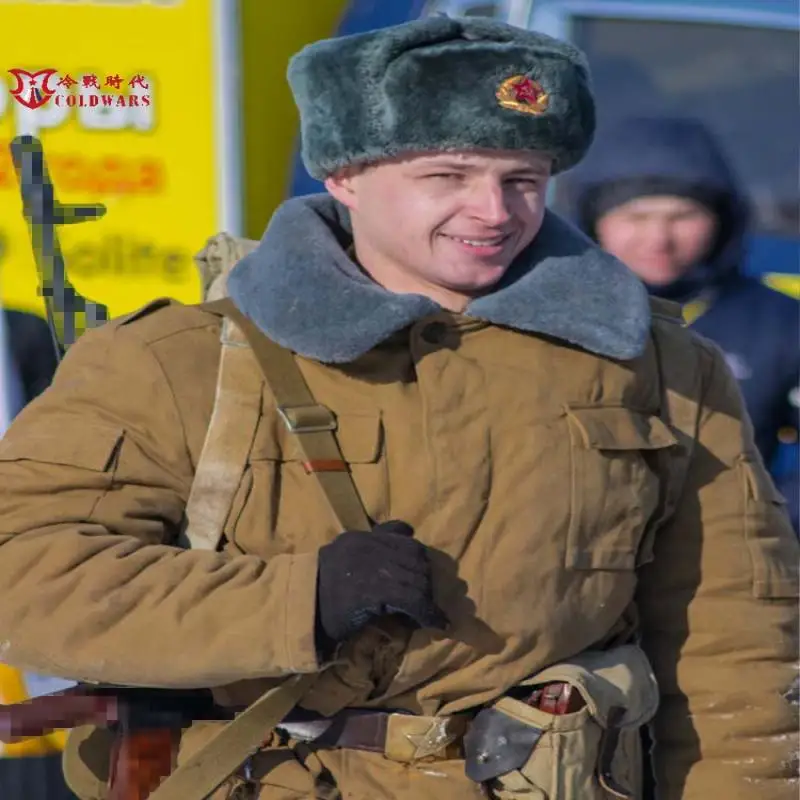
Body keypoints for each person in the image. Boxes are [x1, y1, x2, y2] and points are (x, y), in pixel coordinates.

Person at [0, 16, 796, 800]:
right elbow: (25, 576)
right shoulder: (173, 360)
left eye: (522, 180)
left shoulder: (657, 365)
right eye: (447, 176)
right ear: (344, 176)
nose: (494, 211)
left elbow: (737, 639)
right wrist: (296, 601)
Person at [571, 116, 800, 531]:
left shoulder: (782, 323)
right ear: (592, 220)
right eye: (636, 216)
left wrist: (766, 525)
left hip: (733, 549)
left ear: (722, 219)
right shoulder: (550, 316)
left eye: (683, 216)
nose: (659, 238)